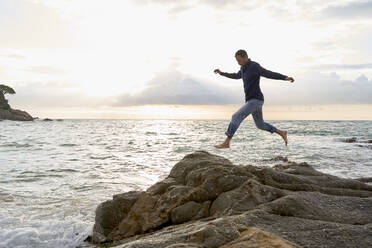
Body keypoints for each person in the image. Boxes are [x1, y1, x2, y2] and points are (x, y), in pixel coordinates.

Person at [213, 49, 294, 149]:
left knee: (235, 117)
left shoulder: (254, 66)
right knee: (260, 125)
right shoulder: (243, 69)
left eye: (239, 60)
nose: (238, 63)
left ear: (245, 57)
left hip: (256, 100)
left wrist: (284, 77)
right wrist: (222, 73)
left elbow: (268, 73)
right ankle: (281, 132)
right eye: (237, 61)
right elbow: (236, 75)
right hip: (253, 101)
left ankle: (226, 142)